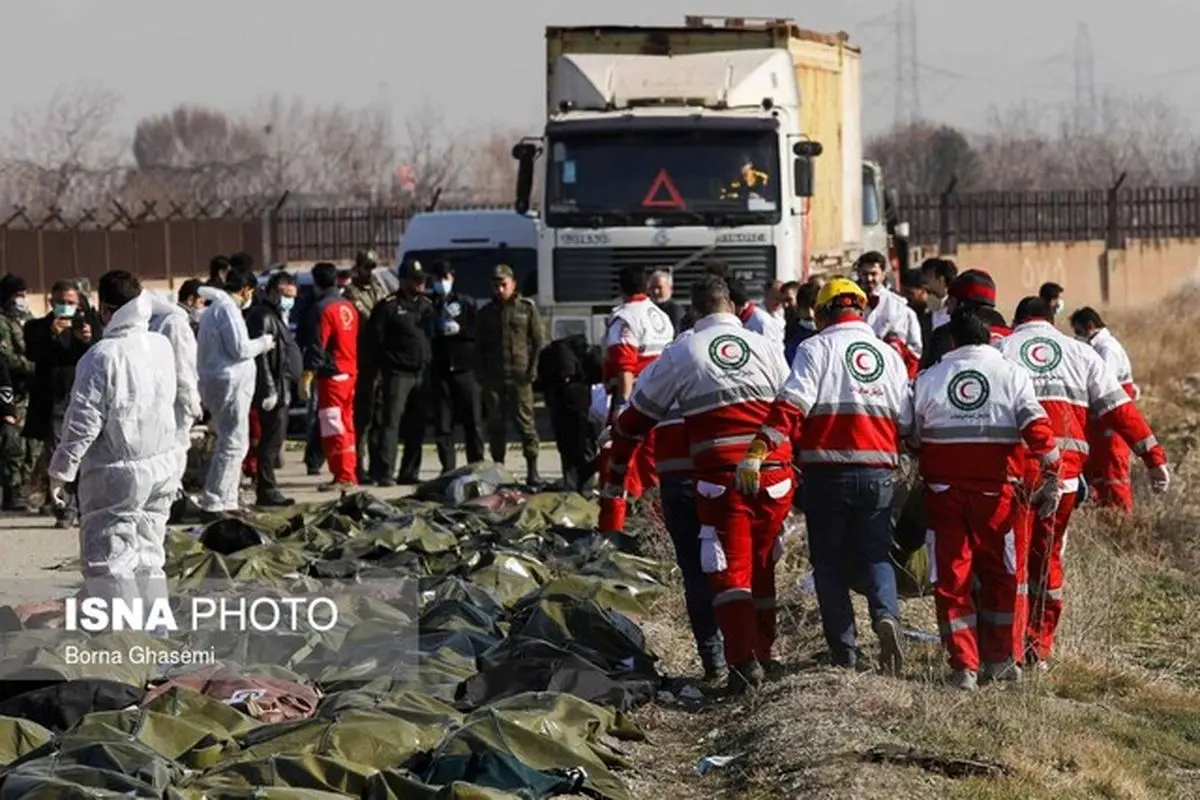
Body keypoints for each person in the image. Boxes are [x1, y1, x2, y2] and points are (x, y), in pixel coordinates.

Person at [605, 275, 791, 693]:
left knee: (724, 571)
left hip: (720, 481)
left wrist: (617, 457)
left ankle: (735, 663)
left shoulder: (683, 351)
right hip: (772, 475)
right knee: (762, 566)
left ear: (693, 310)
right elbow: (790, 406)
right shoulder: (765, 346)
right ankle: (764, 651)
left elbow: (639, 416)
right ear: (732, 306)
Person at [750, 277, 910, 674]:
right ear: (861, 309)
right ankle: (886, 615)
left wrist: (759, 448)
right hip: (878, 473)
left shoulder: (815, 348)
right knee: (877, 555)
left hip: (827, 475)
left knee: (829, 565)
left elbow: (792, 405)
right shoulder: (888, 354)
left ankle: (845, 653)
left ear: (822, 313)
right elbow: (906, 420)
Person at [1000, 296, 1169, 667]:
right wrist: (1153, 456)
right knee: (1048, 560)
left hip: (1015, 474)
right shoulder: (1081, 353)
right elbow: (1120, 410)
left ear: (1017, 321)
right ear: (1051, 320)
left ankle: (1009, 650)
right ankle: (1039, 648)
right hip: (1063, 479)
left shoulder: (1002, 350)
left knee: (1014, 562)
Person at [909, 306, 1063, 690]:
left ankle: (964, 665)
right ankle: (999, 659)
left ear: (954, 340)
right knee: (1001, 576)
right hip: (997, 496)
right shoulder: (1011, 374)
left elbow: (914, 437)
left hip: (944, 495)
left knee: (952, 579)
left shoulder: (929, 378)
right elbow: (1036, 427)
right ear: (990, 337)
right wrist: (1052, 469)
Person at [47, 271, 178, 606]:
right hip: (163, 466)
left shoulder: (102, 356)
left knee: (109, 563)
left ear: (105, 310)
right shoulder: (160, 345)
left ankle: (122, 632)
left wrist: (61, 471)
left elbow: (82, 423)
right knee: (150, 557)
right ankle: (155, 629)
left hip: (116, 474)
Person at [596, 265, 673, 531]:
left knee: (615, 469)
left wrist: (621, 408)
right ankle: (661, 529)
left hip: (635, 404)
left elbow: (625, 368)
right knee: (654, 470)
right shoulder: (661, 316)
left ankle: (611, 531)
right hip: (662, 403)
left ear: (621, 288)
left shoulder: (624, 319)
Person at [196, 269, 276, 518]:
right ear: (246, 290)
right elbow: (239, 349)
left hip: (223, 383)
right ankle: (214, 501)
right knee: (232, 443)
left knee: (235, 443)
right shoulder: (227, 309)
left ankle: (228, 499)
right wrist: (264, 343)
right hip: (230, 384)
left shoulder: (215, 309)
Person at [23, 281, 102, 526]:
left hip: (83, 397)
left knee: (85, 453)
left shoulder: (89, 324)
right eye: (61, 302)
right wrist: (53, 334)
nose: (65, 307)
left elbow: (99, 353)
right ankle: (65, 506)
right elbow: (34, 354)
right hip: (53, 401)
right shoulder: (37, 327)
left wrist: (87, 338)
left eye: (70, 303)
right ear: (51, 302)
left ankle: (85, 504)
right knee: (58, 453)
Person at [477, 264, 545, 485]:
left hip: (520, 376)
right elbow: (479, 346)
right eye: (496, 285)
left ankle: (532, 470)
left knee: (526, 424)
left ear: (513, 284)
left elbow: (538, 341)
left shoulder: (526, 308)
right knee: (496, 426)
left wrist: (533, 369)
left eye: (503, 285)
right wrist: (481, 373)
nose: (500, 289)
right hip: (494, 377)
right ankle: (499, 468)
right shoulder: (486, 313)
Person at [368, 261, 434, 486]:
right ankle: (385, 472)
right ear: (404, 281)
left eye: (422, 279)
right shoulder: (389, 306)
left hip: (422, 373)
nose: (421, 283)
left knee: (417, 424)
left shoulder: (426, 306)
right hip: (397, 373)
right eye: (416, 279)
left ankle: (410, 472)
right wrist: (382, 368)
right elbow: (375, 341)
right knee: (391, 423)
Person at [1070, 307, 1141, 512]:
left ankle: (1121, 519)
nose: (1078, 337)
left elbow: (1103, 386)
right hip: (1101, 423)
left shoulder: (1107, 349)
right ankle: (1107, 514)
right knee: (1101, 472)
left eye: (1079, 331)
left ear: (1090, 326)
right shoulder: (1098, 347)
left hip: (1112, 422)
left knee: (1114, 471)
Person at [246, 272, 302, 505]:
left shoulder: (278, 316)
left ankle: (268, 487)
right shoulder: (263, 316)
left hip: (283, 387)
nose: (289, 300)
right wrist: (269, 389)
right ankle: (267, 489)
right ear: (271, 292)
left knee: (275, 441)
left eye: (292, 296)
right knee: (270, 442)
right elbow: (262, 359)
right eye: (285, 295)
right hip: (274, 390)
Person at [304, 263, 360, 491]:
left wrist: (309, 371)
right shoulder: (349, 306)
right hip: (349, 371)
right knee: (346, 423)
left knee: (332, 424)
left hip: (332, 374)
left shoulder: (322, 309)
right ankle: (349, 471)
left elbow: (318, 345)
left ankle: (343, 475)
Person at [146, 291, 202, 514]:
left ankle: (167, 495)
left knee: (166, 449)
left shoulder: (158, 322)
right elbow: (183, 366)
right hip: (177, 399)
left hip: (162, 397)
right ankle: (172, 497)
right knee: (177, 448)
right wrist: (191, 400)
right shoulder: (176, 324)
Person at [429, 261, 484, 472]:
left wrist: (461, 330)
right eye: (438, 279)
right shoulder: (429, 304)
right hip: (440, 371)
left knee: (473, 422)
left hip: (465, 369)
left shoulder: (466, 302)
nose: (441, 282)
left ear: (452, 277)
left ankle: (476, 465)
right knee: (443, 424)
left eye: (445, 278)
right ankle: (448, 468)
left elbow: (478, 332)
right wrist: (436, 328)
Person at [536, 334, 602, 492]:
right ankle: (584, 486)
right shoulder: (580, 354)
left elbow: (543, 382)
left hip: (565, 402)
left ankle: (574, 486)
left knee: (569, 447)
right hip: (586, 401)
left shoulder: (554, 354)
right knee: (586, 446)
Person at [343, 250, 386, 482]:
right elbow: (368, 317)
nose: (369, 272)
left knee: (380, 416)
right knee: (363, 417)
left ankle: (378, 464)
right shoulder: (351, 293)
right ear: (357, 268)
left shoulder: (379, 289)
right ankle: (359, 464)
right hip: (362, 360)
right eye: (366, 267)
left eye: (372, 267)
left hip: (380, 360)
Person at [0, 275, 36, 511]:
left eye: (24, 294)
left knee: (34, 445)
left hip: (31, 390)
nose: (22, 300)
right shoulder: (2, 323)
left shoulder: (28, 320)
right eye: (17, 295)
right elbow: (5, 358)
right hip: (11, 391)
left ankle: (26, 487)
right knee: (14, 444)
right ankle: (13, 491)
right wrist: (34, 365)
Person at [857, 251, 923, 377]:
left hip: (890, 372)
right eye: (865, 274)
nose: (869, 279)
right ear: (859, 274)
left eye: (873, 274)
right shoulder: (850, 302)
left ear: (883, 274)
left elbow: (915, 348)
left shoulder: (899, 306)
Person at [922, 269, 997, 368]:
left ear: (962, 306)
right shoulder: (1009, 337)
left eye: (951, 301)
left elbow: (928, 374)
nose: (948, 311)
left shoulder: (946, 335)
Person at [727, 276, 785, 353]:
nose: (779, 303)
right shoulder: (757, 318)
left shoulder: (764, 322)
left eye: (782, 299)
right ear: (766, 295)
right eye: (776, 298)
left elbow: (773, 352)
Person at [784, 280, 821, 366]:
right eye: (805, 307)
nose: (810, 313)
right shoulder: (792, 333)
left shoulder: (828, 332)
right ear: (798, 307)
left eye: (813, 307)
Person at [900, 268, 934, 356]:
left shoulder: (934, 318)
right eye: (903, 294)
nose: (905, 298)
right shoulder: (902, 315)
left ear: (923, 291)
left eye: (910, 293)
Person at [647, 270, 685, 334]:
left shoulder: (675, 311)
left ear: (670, 288)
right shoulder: (645, 308)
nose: (655, 291)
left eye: (659, 288)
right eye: (652, 287)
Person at [920, 257, 958, 322]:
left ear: (941, 279)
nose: (924, 286)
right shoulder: (928, 310)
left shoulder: (956, 307)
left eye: (929, 276)